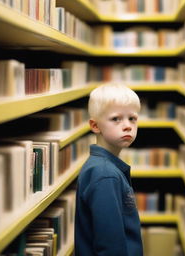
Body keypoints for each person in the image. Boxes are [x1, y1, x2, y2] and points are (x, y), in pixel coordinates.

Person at [75, 83, 143, 256]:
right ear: (95, 126)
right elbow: (110, 245)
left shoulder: (103, 167)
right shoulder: (105, 174)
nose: (127, 125)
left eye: (132, 118)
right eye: (116, 119)